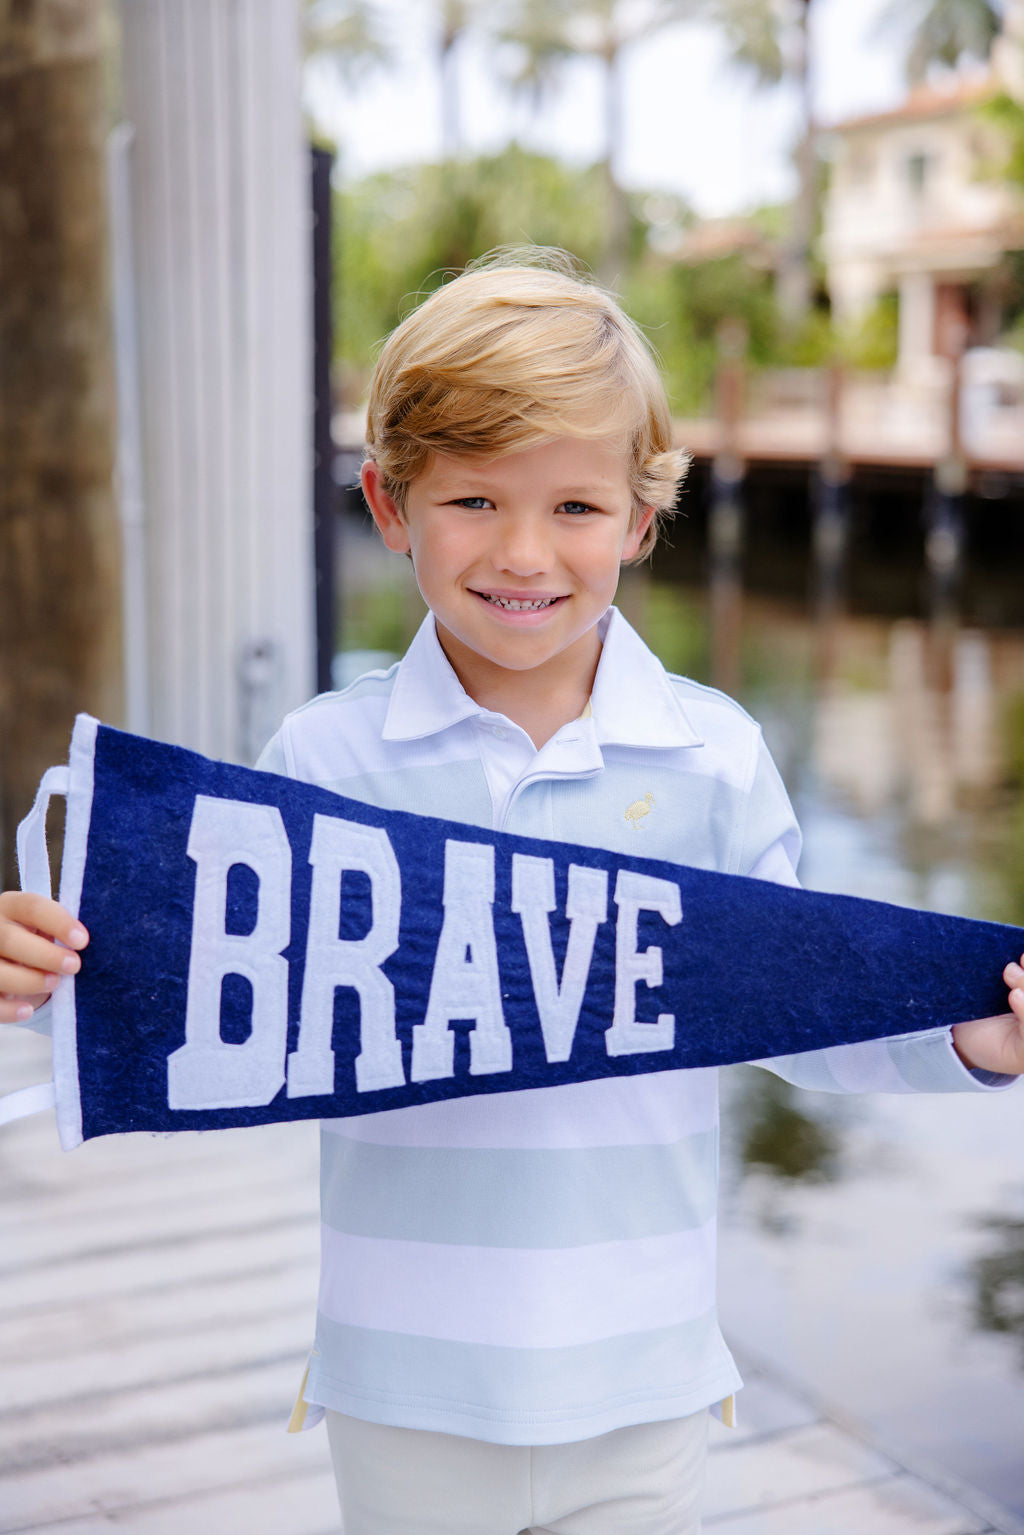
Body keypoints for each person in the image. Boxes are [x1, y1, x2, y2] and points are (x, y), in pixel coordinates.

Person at [1, 248, 1023, 1535]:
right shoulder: (326, 757)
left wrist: (971, 1031)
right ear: (390, 505)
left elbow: (802, 1013)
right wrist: (44, 972)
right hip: (403, 1381)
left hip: (646, 1375)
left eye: (578, 509)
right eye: (474, 499)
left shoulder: (711, 757)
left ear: (642, 523)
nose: (525, 552)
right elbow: (208, 981)